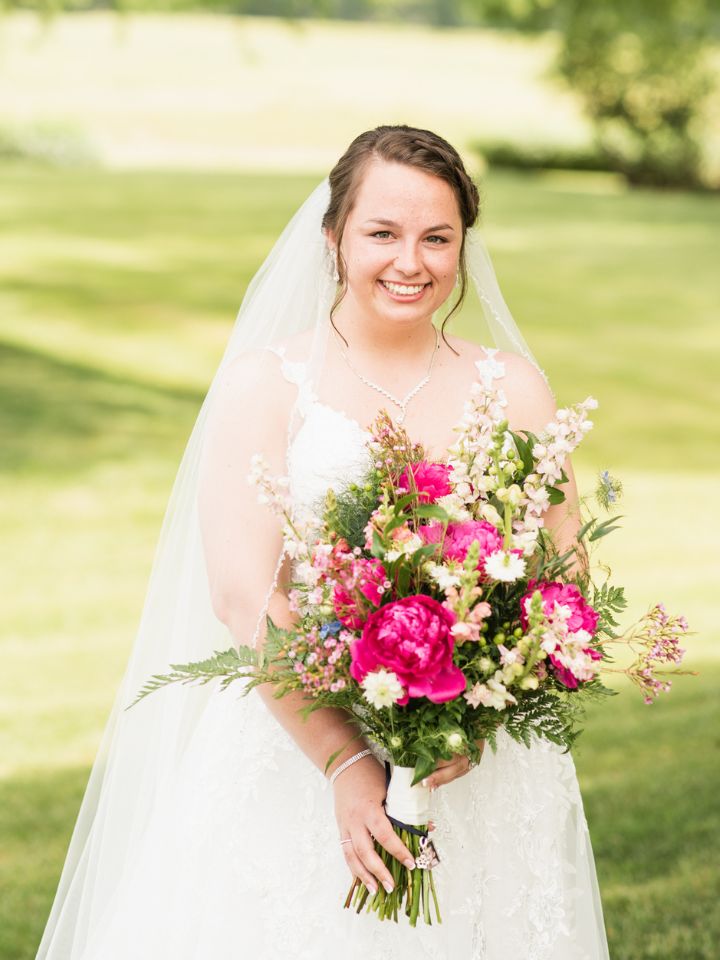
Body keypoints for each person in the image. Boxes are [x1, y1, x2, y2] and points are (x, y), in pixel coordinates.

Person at [36, 124, 610, 959]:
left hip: (474, 768)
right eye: (382, 232)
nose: (410, 261)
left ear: (463, 247)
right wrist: (347, 764)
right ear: (334, 236)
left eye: (436, 238)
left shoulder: (510, 387)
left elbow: (564, 572)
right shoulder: (268, 386)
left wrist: (477, 715)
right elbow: (244, 597)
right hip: (296, 749)